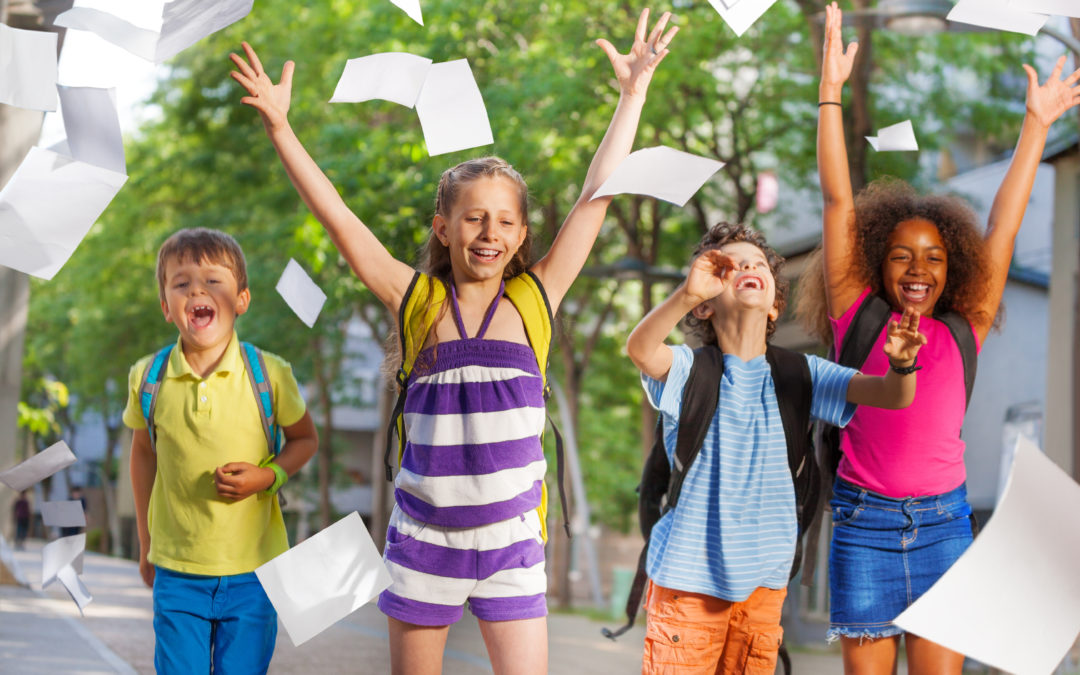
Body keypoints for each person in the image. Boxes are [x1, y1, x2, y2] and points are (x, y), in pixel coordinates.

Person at [230, 9, 677, 674]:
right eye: (473, 217)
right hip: (423, 543)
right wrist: (281, 127)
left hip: (512, 547)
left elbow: (595, 197)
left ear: (523, 234)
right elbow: (339, 218)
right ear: (443, 228)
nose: (488, 232)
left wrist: (632, 95)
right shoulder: (417, 302)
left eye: (504, 220)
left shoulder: (534, 300)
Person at [801, 4, 1080, 672]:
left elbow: (1004, 229)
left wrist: (1037, 124)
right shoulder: (857, 314)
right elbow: (840, 200)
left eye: (933, 256)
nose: (919, 267)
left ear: (954, 267)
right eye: (902, 255)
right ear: (879, 263)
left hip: (945, 530)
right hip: (863, 527)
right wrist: (830, 93)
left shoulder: (964, 327)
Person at [625, 222, 926, 674]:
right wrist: (685, 294)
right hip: (687, 587)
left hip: (763, 592)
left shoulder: (802, 373)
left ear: (774, 306)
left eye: (758, 263)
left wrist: (903, 365)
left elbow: (891, 395)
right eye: (730, 266)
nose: (748, 266)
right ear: (705, 305)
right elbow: (642, 348)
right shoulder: (690, 370)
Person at [123, 228, 319, 674]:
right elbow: (143, 456)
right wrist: (145, 543)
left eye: (213, 280)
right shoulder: (147, 378)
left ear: (242, 299)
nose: (197, 290)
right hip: (177, 573)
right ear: (166, 307)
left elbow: (305, 440)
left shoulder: (270, 373)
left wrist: (267, 476)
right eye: (181, 282)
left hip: (255, 573)